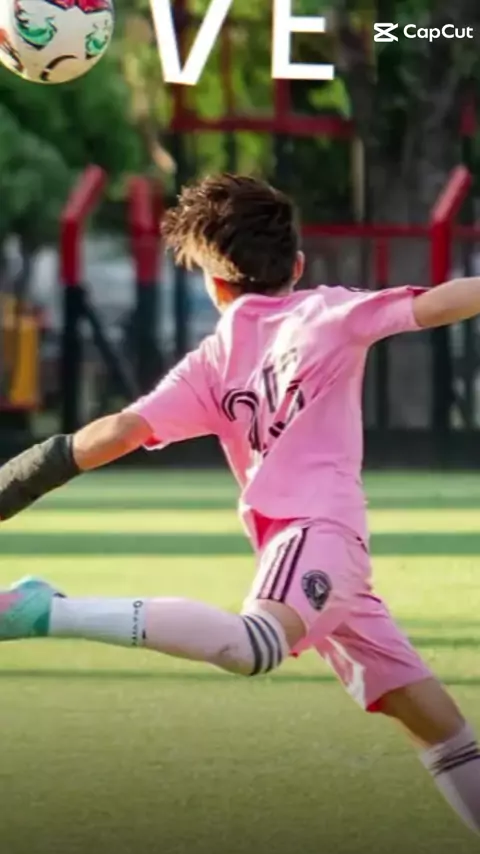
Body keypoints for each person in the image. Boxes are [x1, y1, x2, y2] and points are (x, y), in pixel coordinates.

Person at [0, 174, 479, 832]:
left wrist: (11, 487)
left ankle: (45, 610)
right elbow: (436, 304)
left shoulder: (211, 360)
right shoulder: (327, 314)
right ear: (298, 266)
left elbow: (114, 433)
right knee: (280, 656)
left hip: (314, 547)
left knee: (432, 724)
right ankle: (44, 610)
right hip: (320, 540)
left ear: (213, 284)